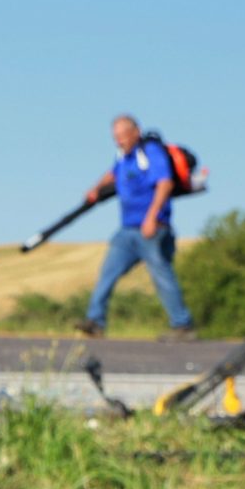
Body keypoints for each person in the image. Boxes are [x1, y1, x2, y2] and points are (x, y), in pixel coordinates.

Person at [81, 115, 195, 340]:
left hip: (152, 228)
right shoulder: (123, 156)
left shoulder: (151, 152)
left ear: (136, 132)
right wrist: (96, 188)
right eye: (116, 137)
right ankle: (95, 321)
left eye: (123, 136)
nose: (119, 141)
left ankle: (183, 326)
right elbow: (112, 173)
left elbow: (165, 183)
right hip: (127, 229)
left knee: (162, 276)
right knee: (107, 273)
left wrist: (151, 218)